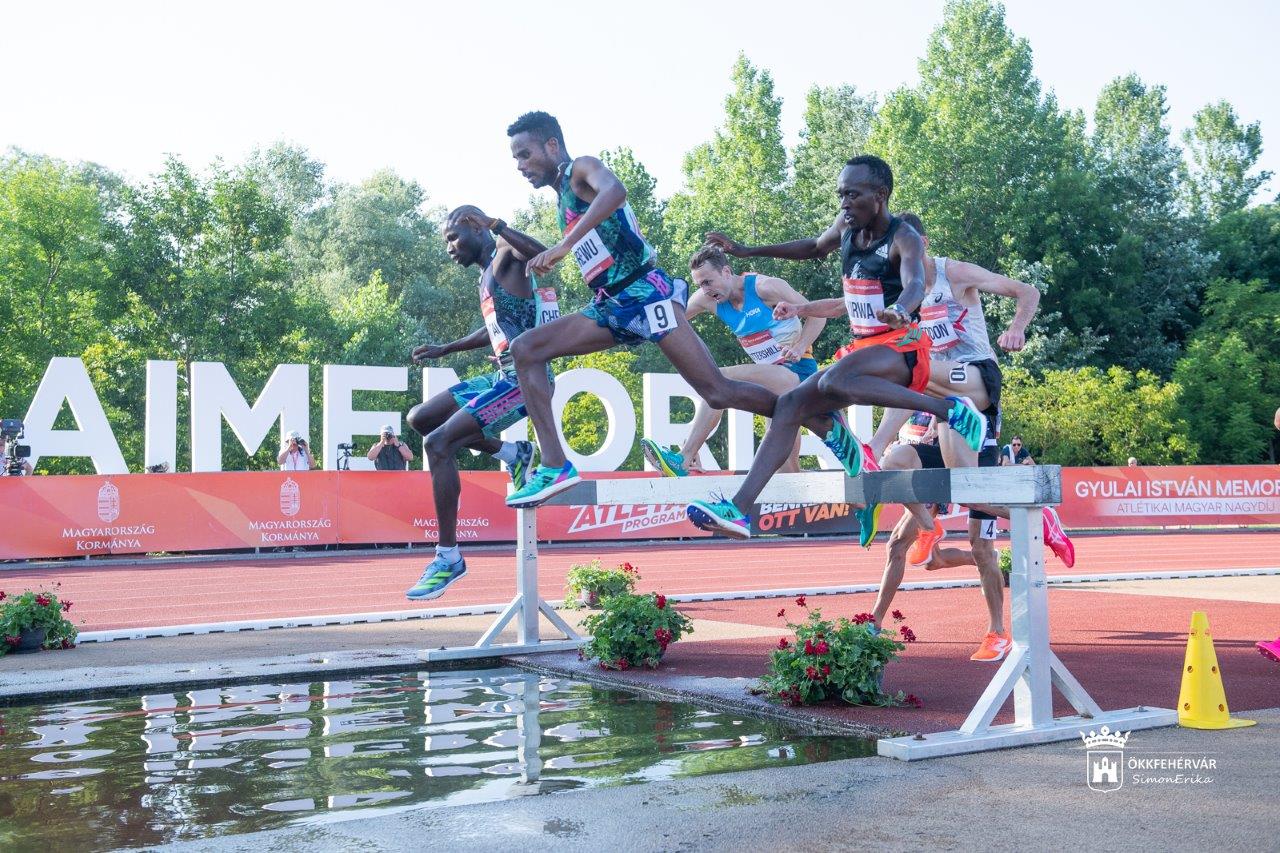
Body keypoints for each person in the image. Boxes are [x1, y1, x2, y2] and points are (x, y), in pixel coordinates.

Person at [501, 111, 850, 507]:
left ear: (551, 145)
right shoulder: (561, 197)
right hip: (613, 305)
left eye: (525, 154)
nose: (520, 166)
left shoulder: (582, 168)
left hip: (646, 296)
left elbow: (615, 191)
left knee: (716, 392)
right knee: (526, 348)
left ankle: (821, 422)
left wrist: (564, 246)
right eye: (515, 159)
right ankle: (554, 466)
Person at [685, 156, 989, 539]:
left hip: (902, 346)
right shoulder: (846, 226)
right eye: (841, 194)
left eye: (852, 194)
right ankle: (739, 509)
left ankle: (949, 409)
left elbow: (914, 283)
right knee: (790, 405)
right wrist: (748, 251)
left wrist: (901, 308)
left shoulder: (902, 237)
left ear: (880, 195)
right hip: (863, 349)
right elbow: (813, 247)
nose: (844, 203)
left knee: (835, 381)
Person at [863, 210, 1040, 560]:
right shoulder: (906, 293)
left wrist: (1017, 327)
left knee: (908, 369)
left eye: (903, 252)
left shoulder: (954, 272)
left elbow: (1027, 291)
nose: (898, 262)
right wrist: (802, 307)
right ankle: (1039, 520)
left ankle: (873, 445)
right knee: (965, 488)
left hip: (978, 376)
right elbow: (848, 303)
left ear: (922, 245)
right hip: (948, 398)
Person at [403, 205, 549, 601]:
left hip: (525, 381)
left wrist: (496, 223)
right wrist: (445, 348)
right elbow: (493, 329)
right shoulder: (485, 277)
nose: (449, 248)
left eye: (453, 237)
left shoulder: (504, 253)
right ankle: (513, 451)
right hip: (502, 375)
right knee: (422, 419)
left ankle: (448, 557)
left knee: (437, 444)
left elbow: (544, 253)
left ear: (475, 227)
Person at [639, 245, 825, 476]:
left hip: (796, 376)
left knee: (718, 378)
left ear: (726, 272)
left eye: (708, 282)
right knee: (786, 471)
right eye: (699, 285)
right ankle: (845, 506)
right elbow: (666, 320)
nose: (705, 291)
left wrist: (799, 346)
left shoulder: (765, 287)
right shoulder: (708, 300)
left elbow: (819, 315)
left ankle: (683, 458)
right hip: (769, 381)